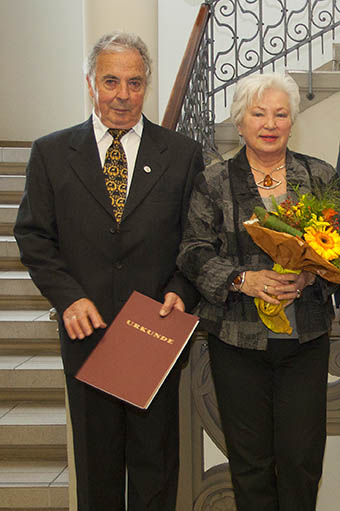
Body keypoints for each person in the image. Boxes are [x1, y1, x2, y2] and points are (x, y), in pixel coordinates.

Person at [14, 31, 204, 511]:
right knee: (96, 470)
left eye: (135, 82)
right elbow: (33, 236)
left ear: (148, 84)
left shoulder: (182, 155)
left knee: (155, 469)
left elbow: (197, 239)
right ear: (90, 82)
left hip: (153, 335)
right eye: (111, 81)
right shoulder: (51, 152)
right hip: (88, 332)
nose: (123, 95)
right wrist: (68, 297)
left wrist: (182, 290)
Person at [177, 72, 337, 511]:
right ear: (241, 122)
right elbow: (191, 250)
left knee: (302, 459)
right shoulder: (213, 181)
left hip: (305, 339)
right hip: (237, 340)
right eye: (258, 113)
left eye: (280, 114)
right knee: (250, 463)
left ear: (292, 122)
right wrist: (242, 280)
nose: (270, 123)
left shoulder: (319, 175)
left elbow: (337, 248)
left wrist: (311, 274)